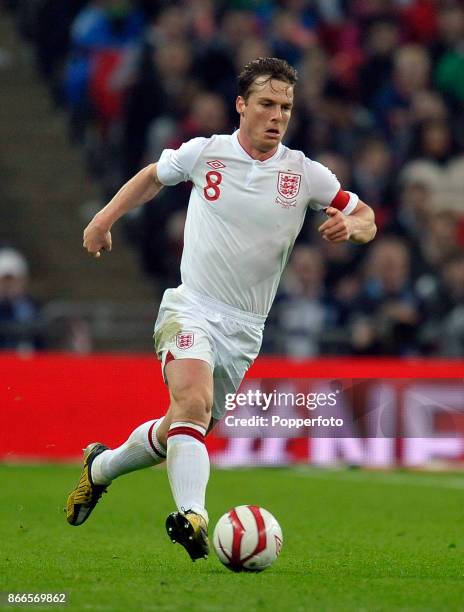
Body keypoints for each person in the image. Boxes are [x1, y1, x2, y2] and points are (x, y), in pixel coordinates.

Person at [65, 57, 376, 561]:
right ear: (241, 105)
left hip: (245, 330)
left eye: (286, 108)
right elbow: (152, 176)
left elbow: (364, 215)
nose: (277, 116)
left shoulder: (305, 173)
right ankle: (193, 515)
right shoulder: (205, 153)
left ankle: (100, 469)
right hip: (191, 307)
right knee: (191, 402)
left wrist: (353, 227)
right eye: (267, 104)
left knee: (181, 427)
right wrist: (103, 221)